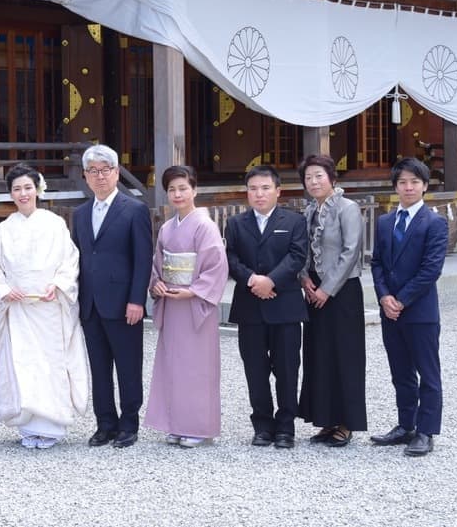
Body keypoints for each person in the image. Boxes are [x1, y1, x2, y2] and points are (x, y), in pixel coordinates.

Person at [0, 164, 89, 449]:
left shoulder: (54, 223)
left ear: (38, 190)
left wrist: (57, 285)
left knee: (50, 364)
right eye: (17, 189)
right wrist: (5, 290)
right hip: (18, 307)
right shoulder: (4, 229)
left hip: (49, 305)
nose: (23, 193)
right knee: (22, 364)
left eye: (27, 188)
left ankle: (52, 425)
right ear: (10, 193)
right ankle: (28, 426)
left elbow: (70, 260)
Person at [71, 143, 152, 449]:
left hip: (123, 303)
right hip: (91, 303)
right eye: (93, 171)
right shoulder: (80, 214)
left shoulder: (134, 210)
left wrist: (137, 300)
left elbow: (142, 259)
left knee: (128, 366)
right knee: (99, 368)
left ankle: (129, 424)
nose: (100, 176)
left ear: (117, 173)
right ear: (85, 176)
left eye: (105, 170)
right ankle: (105, 423)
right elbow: (76, 257)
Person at [144, 165, 228, 448]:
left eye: (183, 188)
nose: (177, 194)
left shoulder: (205, 226)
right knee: (172, 365)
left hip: (194, 304)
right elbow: (158, 264)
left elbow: (216, 267)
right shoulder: (167, 228)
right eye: (172, 190)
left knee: (197, 367)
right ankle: (176, 424)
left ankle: (199, 427)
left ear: (194, 190)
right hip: (172, 302)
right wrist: (156, 283)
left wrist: (192, 291)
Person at [225, 164, 308, 449]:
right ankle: (262, 425)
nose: (259, 194)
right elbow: (230, 258)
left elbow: (297, 256)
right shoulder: (236, 223)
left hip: (284, 306)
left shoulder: (294, 221)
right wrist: (252, 280)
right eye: (253, 189)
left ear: (278, 191)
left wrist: (270, 281)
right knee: (255, 370)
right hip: (250, 307)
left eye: (265, 188)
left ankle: (285, 427)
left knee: (287, 369)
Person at [369, 157, 448, 457]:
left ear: (425, 186)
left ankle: (426, 431)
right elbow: (377, 263)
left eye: (415, 182)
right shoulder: (385, 221)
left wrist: (401, 299)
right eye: (402, 182)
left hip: (419, 310)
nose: (408, 187)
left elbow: (431, 270)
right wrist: (384, 296)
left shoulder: (434, 222)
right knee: (400, 372)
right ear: (395, 187)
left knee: (428, 373)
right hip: (390, 310)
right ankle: (406, 425)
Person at [296, 155, 367, 447]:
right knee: (319, 355)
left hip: (342, 291)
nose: (314, 182)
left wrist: (327, 289)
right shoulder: (309, 210)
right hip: (313, 290)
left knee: (345, 356)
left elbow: (351, 251)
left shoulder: (347, 208)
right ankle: (326, 418)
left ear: (332, 178)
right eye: (308, 177)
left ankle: (347, 422)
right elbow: (301, 249)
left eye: (319, 176)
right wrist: (304, 278)